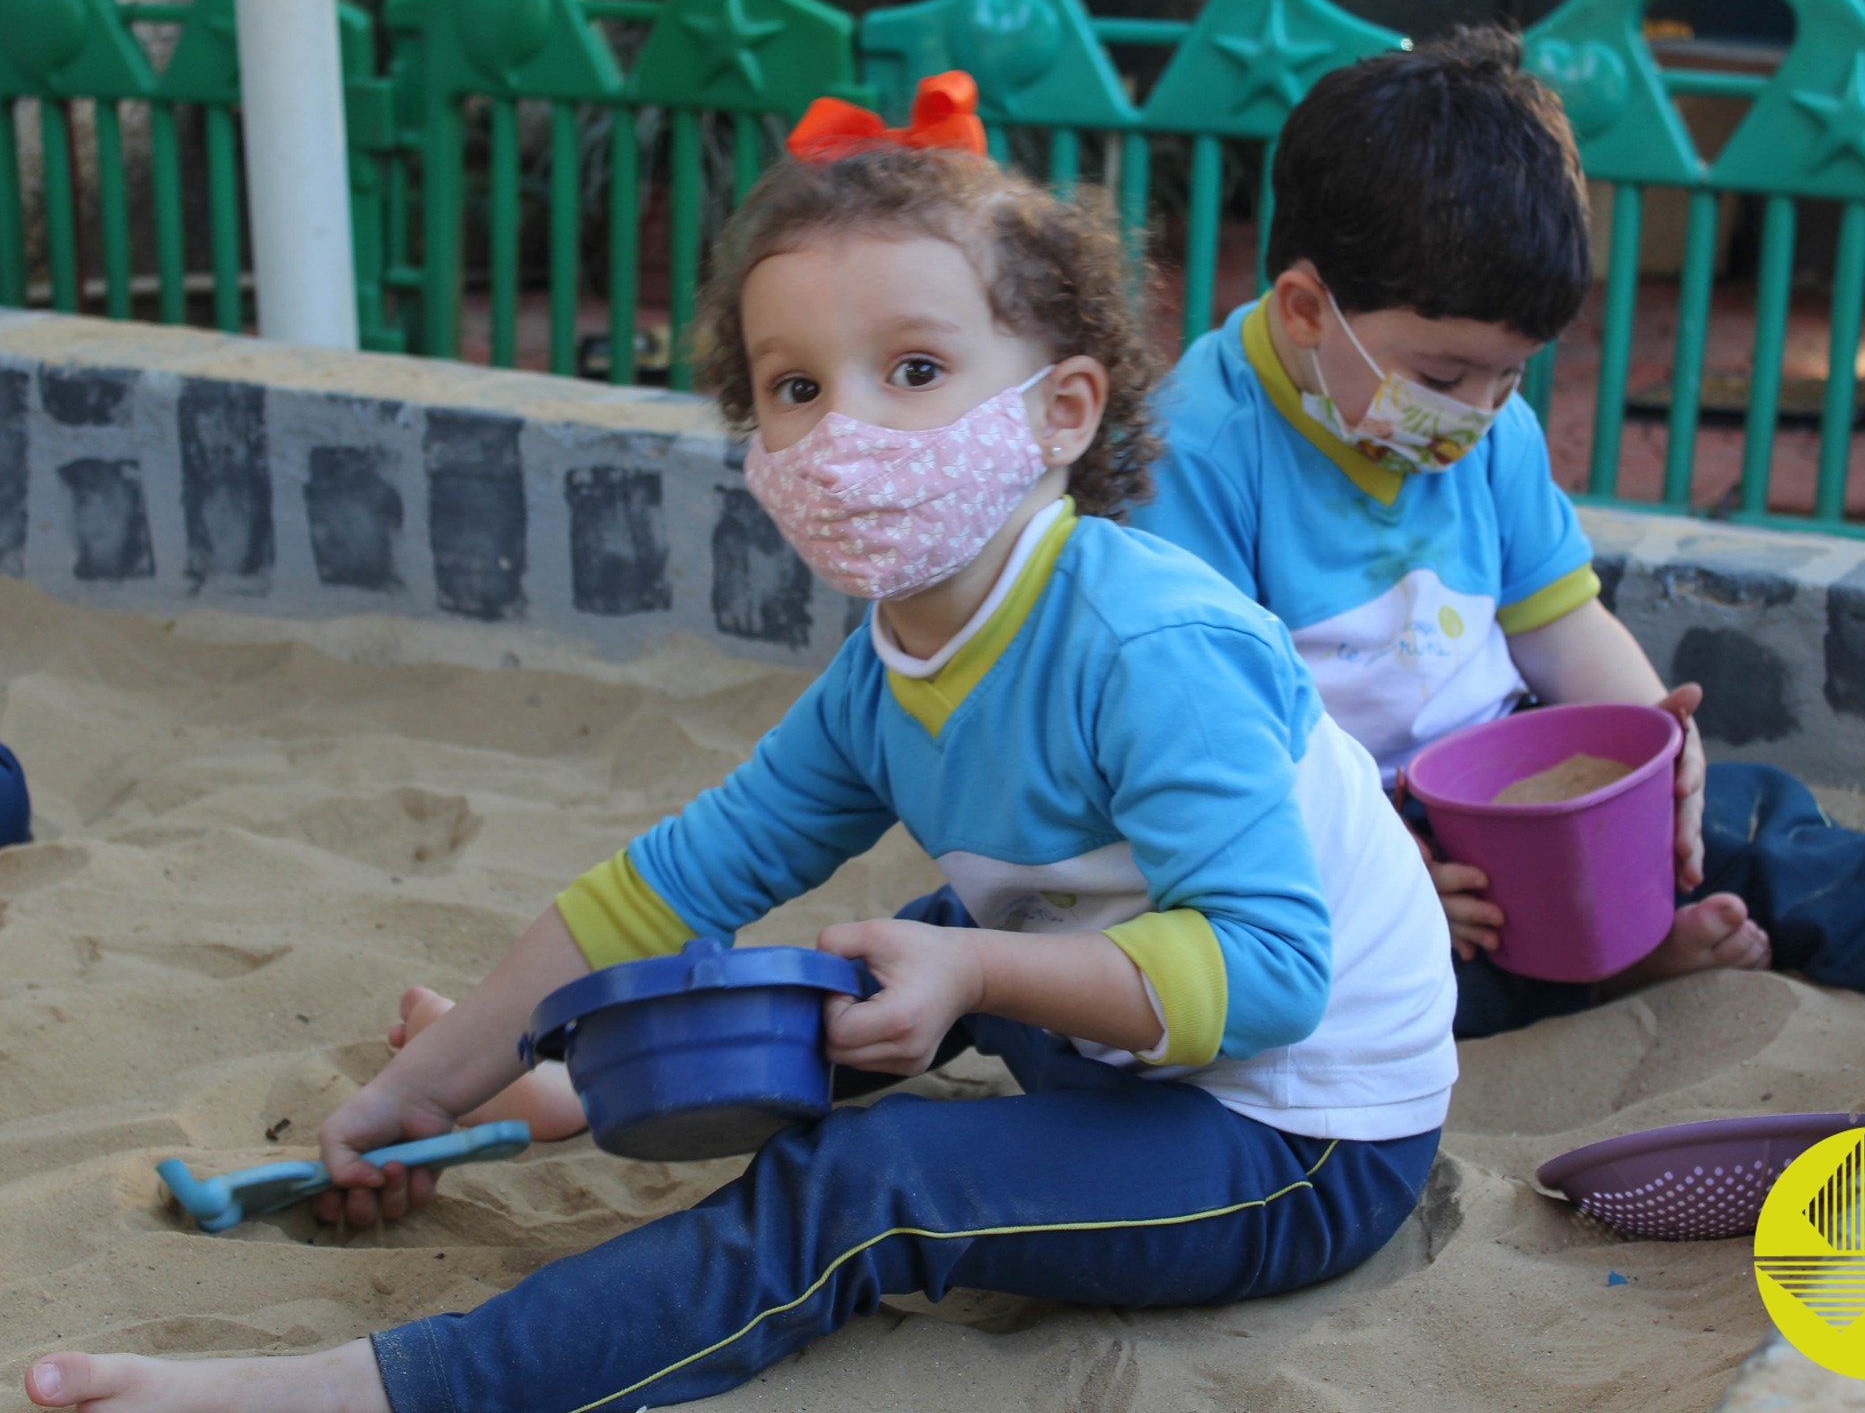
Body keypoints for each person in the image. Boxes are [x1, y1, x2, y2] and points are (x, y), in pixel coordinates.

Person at [23, 74, 1455, 1413]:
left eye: (912, 367)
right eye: (796, 386)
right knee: (847, 969)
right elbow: (659, 888)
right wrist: (413, 1093)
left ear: (1062, 410)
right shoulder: (886, 668)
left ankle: (372, 1385)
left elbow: (1274, 973)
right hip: (1129, 1029)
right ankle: (549, 1096)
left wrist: (976, 967)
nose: (844, 430)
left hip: (1302, 1132)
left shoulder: (1151, 648)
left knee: (874, 1171)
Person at [1131, 28, 1865, 1040]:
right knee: (1343, 970)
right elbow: (1208, 746)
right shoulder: (1199, 455)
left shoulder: (1487, 429)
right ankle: (1604, 967)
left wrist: (1653, 751)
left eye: (1510, 374)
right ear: (1306, 309)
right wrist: (1374, 875)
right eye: (1441, 379)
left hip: (1505, 795)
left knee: (1758, 820)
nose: (1477, 411)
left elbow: (1559, 622)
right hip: (1324, 832)